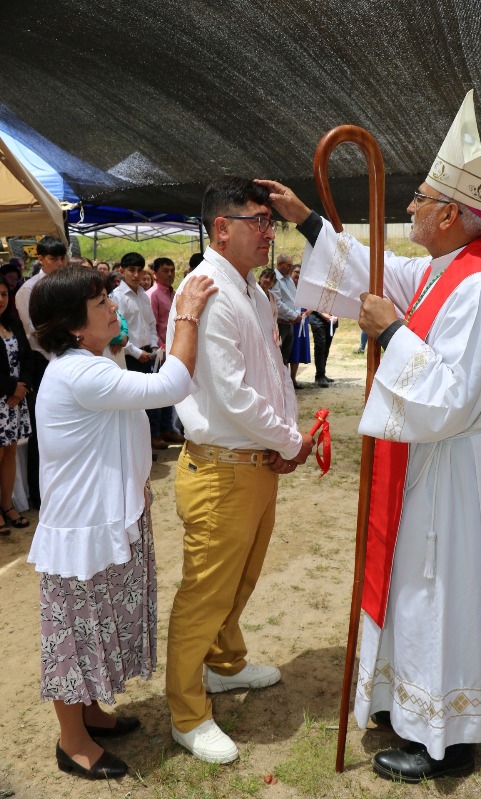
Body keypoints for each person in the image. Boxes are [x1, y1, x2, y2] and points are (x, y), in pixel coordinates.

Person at [257, 90, 481, 782]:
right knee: (418, 591)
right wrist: (309, 221)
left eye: (420, 200)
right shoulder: (446, 272)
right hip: (431, 463)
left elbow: (453, 395)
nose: (408, 208)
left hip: (453, 467)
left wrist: (391, 333)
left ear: (450, 214)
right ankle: (410, 707)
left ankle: (445, 741)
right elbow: (378, 270)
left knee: (442, 595)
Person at [27, 265, 216, 780]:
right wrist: (187, 315)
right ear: (73, 327)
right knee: (75, 636)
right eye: (100, 304)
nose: (113, 307)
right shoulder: (81, 373)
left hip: (103, 521)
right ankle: (72, 742)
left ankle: (90, 715)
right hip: (84, 531)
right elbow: (172, 384)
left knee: (96, 625)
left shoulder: (88, 362)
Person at [165, 176, 315, 765]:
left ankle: (223, 664)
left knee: (241, 578)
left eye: (270, 222)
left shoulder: (250, 288)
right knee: (205, 593)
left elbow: (272, 375)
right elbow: (230, 395)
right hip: (223, 466)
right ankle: (187, 712)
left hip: (253, 462)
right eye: (259, 221)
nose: (269, 232)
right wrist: (291, 440)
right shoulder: (204, 290)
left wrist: (285, 437)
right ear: (222, 228)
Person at [15, 235, 68, 508]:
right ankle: (39, 495)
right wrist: (58, 356)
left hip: (66, 358)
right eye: (53, 258)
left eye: (62, 258)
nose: (59, 263)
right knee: (43, 430)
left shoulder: (67, 284)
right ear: (41, 259)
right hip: (42, 362)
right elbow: (33, 333)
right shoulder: (29, 290)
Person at [110, 253, 164, 449]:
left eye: (139, 271)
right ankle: (136, 446)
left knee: (148, 400)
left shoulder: (143, 294)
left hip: (147, 353)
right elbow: (117, 330)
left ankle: (148, 440)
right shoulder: (117, 296)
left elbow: (151, 324)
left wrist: (154, 345)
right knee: (134, 403)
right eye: (131, 270)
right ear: (122, 271)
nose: (135, 275)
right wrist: (136, 352)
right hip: (129, 356)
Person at [0, 275, 32, 534]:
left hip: (15, 401)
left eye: (3, 294)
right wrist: (12, 387)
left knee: (10, 454)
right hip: (3, 396)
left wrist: (23, 386)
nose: (0, 299)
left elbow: (27, 358)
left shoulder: (13, 322)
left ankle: (7, 505)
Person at [146, 257, 184, 445]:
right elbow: (151, 324)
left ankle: (167, 428)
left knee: (170, 390)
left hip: (173, 349)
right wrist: (158, 348)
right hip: (159, 351)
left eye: (172, 270)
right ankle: (155, 433)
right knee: (157, 393)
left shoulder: (174, 294)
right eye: (165, 271)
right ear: (155, 273)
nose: (170, 274)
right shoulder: (152, 295)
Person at [270, 253, 301, 366]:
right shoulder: (274, 278)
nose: (291, 268)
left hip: (289, 324)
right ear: (279, 264)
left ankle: (285, 378)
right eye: (288, 265)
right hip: (280, 324)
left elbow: (295, 298)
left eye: (291, 265)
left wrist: (297, 313)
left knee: (285, 358)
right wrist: (294, 315)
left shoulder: (288, 279)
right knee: (277, 358)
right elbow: (277, 303)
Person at [288, 264, 311, 389]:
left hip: (301, 321)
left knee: (297, 350)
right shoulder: (286, 286)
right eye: (296, 272)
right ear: (291, 272)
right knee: (287, 350)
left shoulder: (304, 288)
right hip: (289, 320)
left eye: (300, 273)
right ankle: (285, 379)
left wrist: (305, 314)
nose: (298, 275)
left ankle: (293, 378)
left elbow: (312, 303)